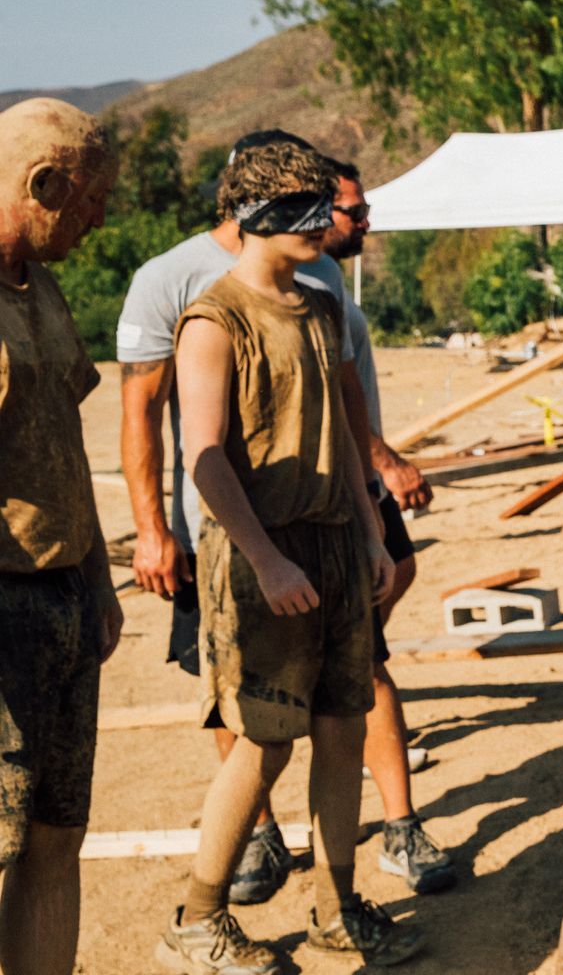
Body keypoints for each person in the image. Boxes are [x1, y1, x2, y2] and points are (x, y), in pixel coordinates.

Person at [116, 129, 407, 905]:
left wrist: (371, 532)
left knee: (343, 729)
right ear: (256, 213)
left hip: (336, 542)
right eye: (307, 208)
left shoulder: (320, 306)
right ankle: (200, 915)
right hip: (259, 557)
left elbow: (345, 431)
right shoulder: (215, 318)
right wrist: (267, 561)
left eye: (327, 206)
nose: (326, 222)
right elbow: (204, 455)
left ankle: (337, 909)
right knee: (264, 743)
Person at [0, 99, 120, 975]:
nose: (98, 223)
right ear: (42, 184)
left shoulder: (39, 285)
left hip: (64, 598)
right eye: (88, 204)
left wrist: (99, 580)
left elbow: (65, 442)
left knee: (54, 836)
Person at [320, 160, 455, 895]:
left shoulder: (331, 284)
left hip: (360, 486)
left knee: (396, 580)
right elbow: (335, 405)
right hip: (328, 497)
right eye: (351, 211)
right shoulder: (294, 287)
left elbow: (352, 394)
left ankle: (395, 821)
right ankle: (392, 825)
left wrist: (380, 464)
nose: (364, 221)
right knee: (362, 667)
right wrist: (383, 461)